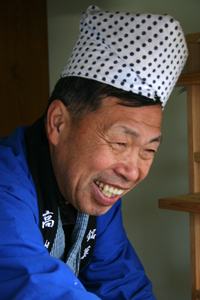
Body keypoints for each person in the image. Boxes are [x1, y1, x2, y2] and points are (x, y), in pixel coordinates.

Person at [0, 5, 187, 300]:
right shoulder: (5, 186)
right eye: (120, 143)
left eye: (149, 150)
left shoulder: (95, 190)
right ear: (58, 123)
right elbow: (34, 287)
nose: (132, 171)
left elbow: (119, 279)